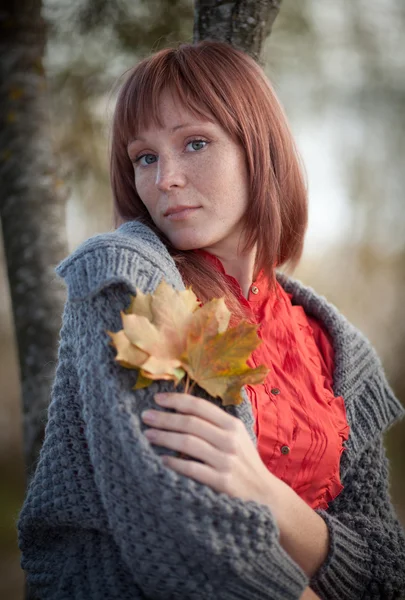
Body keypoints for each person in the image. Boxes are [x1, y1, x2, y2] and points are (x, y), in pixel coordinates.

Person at [18, 41, 405, 600]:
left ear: (259, 150)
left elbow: (385, 566)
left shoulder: (337, 349)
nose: (165, 178)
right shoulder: (128, 281)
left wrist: (270, 496)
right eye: (144, 157)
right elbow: (181, 536)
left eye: (194, 143)